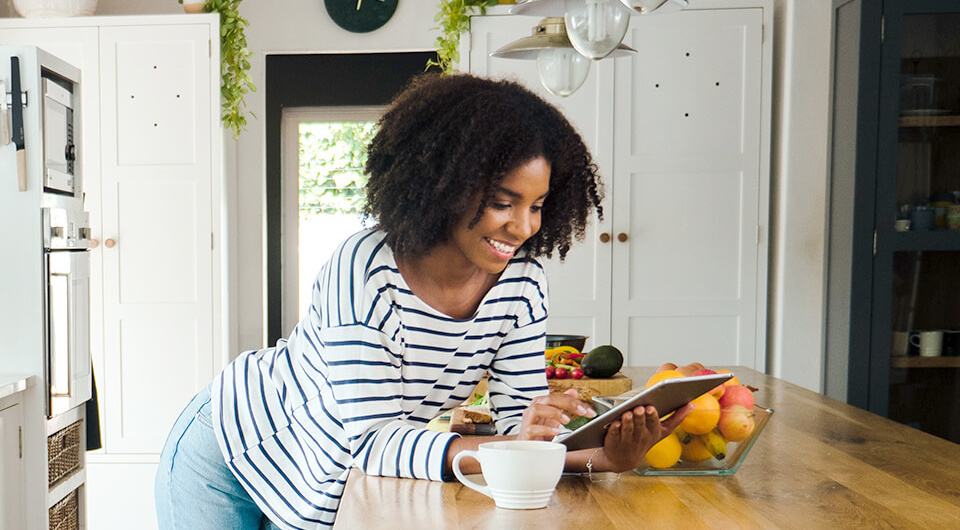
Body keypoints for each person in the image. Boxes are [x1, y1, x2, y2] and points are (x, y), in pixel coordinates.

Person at [154, 73, 691, 530]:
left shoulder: (522, 282)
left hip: (328, 475)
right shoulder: (365, 269)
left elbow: (516, 432)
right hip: (230, 446)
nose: (524, 227)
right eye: (504, 202)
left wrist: (606, 457)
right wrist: (513, 450)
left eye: (538, 205)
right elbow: (374, 441)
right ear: (444, 185)